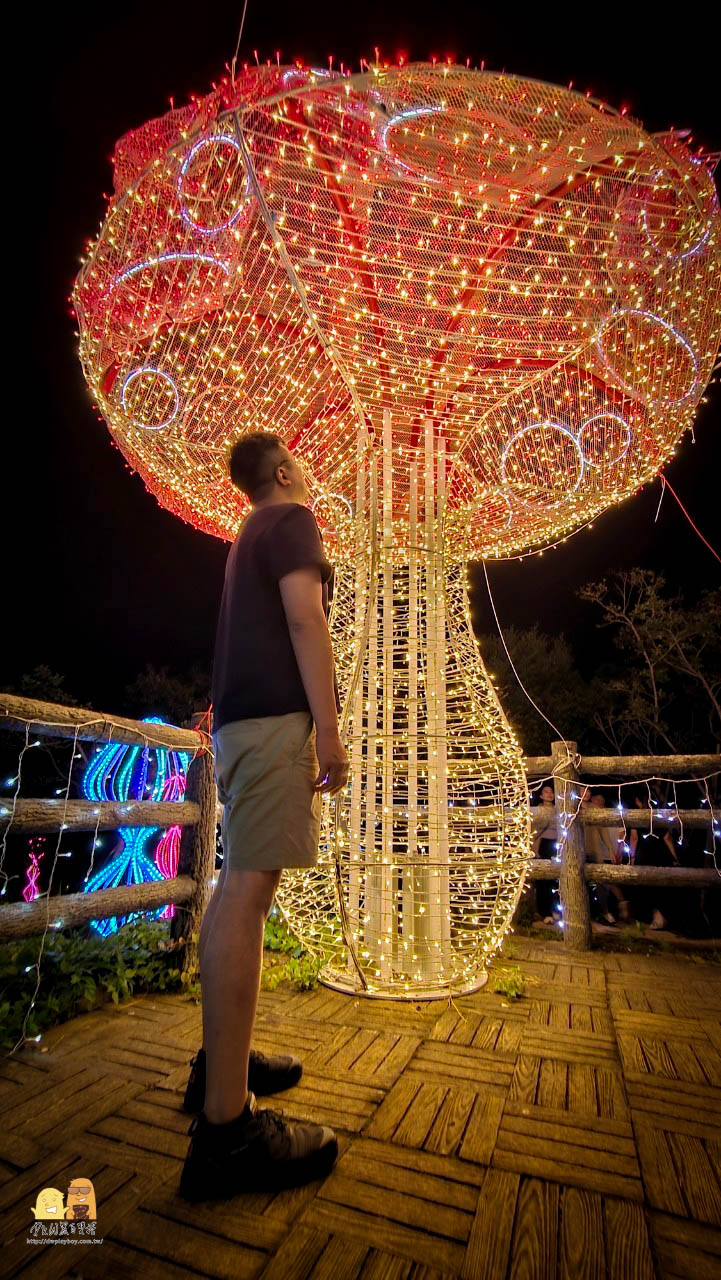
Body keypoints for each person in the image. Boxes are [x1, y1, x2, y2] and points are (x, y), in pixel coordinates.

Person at [180, 432, 349, 1202]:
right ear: (282, 473)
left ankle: (220, 1064)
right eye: (302, 462)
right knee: (248, 890)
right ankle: (226, 1130)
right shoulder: (290, 519)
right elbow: (306, 623)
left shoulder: (243, 538)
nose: (310, 471)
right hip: (275, 721)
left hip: (239, 723)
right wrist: (332, 728)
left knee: (232, 888)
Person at [582, 789, 628, 925]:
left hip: (595, 849)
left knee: (601, 883)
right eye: (583, 790)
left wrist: (610, 849)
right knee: (582, 883)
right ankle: (586, 913)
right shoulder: (572, 806)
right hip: (578, 849)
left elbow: (603, 831)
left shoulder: (595, 809)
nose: (586, 793)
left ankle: (604, 912)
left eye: (588, 790)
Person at [532, 784, 560, 923]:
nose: (549, 794)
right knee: (543, 880)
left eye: (551, 792)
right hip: (543, 844)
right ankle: (544, 912)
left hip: (557, 845)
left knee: (554, 880)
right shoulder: (538, 810)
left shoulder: (558, 809)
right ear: (541, 795)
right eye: (546, 792)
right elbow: (534, 831)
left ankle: (554, 909)